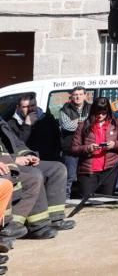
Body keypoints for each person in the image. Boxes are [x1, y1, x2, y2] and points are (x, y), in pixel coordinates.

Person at [0, 111, 73, 239]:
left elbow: (17, 143)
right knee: (34, 174)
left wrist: (28, 155)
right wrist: (14, 159)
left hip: (14, 160)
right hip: (8, 163)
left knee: (57, 169)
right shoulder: (9, 121)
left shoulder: (2, 121)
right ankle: (34, 225)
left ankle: (55, 219)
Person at [70, 97, 118, 200]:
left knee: (106, 201)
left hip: (109, 170)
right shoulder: (83, 125)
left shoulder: (116, 123)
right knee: (86, 202)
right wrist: (88, 148)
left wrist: (114, 144)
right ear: (93, 111)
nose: (100, 116)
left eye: (103, 113)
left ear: (108, 111)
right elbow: (74, 148)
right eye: (98, 113)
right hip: (88, 172)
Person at [8, 95, 60, 162]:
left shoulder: (48, 118)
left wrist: (56, 156)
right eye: (25, 107)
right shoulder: (12, 123)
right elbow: (17, 144)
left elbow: (57, 140)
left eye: (32, 105)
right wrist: (27, 125)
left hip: (50, 160)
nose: (30, 109)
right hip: (28, 162)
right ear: (18, 108)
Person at [58, 86, 90, 196]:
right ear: (71, 96)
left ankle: (84, 198)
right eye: (75, 94)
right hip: (70, 149)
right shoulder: (64, 109)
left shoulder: (91, 108)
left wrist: (77, 121)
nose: (78, 97)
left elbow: (93, 124)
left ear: (85, 95)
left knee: (85, 175)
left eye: (81, 94)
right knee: (69, 176)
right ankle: (65, 199)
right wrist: (85, 121)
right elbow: (68, 126)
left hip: (87, 148)